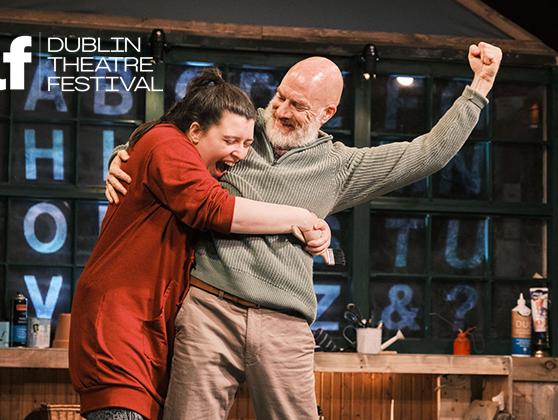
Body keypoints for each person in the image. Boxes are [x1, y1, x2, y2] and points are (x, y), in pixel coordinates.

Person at [107, 42, 502, 420]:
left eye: (298, 105)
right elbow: (169, 140)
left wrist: (480, 85)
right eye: (281, 96)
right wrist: (119, 156)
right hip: (209, 310)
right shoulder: (241, 131)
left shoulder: (340, 166)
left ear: (327, 113)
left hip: (284, 324)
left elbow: (427, 153)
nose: (281, 109)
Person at [69, 68, 330, 420]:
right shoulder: (167, 143)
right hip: (119, 325)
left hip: (146, 330)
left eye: (248, 144)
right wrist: (300, 217)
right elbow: (214, 208)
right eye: (229, 141)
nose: (240, 153)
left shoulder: (181, 152)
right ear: (195, 131)